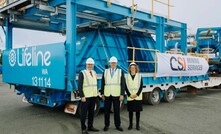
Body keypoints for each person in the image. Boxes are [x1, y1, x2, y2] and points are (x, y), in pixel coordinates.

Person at [101, 56, 125, 132]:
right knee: (106, 111)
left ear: (116, 63)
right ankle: (106, 125)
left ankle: (118, 125)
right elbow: (103, 83)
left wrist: (122, 94)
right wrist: (102, 93)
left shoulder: (120, 72)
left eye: (114, 63)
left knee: (117, 111)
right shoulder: (105, 71)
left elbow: (123, 84)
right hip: (107, 94)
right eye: (112, 63)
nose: (113, 64)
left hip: (116, 94)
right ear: (110, 63)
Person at [78, 58, 99, 134]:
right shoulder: (82, 73)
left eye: (91, 64)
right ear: (86, 65)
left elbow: (95, 84)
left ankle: (90, 126)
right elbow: (79, 86)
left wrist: (96, 94)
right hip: (86, 97)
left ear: (93, 65)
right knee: (83, 113)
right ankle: (83, 129)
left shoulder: (94, 72)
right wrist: (82, 96)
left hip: (93, 96)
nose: (90, 65)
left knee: (91, 112)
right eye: (88, 64)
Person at [125, 62, 143, 130]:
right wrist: (129, 95)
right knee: (130, 112)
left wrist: (137, 94)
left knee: (137, 112)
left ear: (136, 68)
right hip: (130, 97)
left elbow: (141, 86)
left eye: (134, 67)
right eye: (131, 68)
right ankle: (130, 125)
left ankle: (137, 125)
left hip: (138, 97)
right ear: (130, 69)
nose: (132, 69)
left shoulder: (139, 75)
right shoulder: (127, 76)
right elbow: (126, 87)